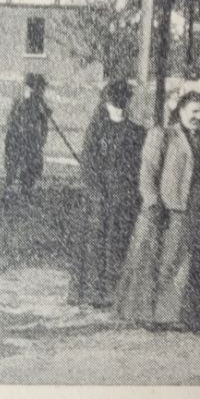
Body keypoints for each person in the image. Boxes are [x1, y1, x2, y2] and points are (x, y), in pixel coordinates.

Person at [114, 91, 200, 332]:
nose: (198, 116)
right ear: (181, 111)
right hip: (166, 209)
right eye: (193, 111)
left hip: (194, 209)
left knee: (185, 265)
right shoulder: (163, 134)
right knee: (160, 263)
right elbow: (148, 171)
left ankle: (179, 314)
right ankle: (151, 316)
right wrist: (153, 202)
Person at [69, 80, 145, 308]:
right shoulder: (97, 131)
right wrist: (96, 190)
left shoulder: (137, 132)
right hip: (99, 199)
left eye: (122, 102)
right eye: (114, 103)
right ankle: (92, 292)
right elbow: (88, 165)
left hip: (125, 198)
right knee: (95, 245)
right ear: (106, 103)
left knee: (120, 243)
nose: (118, 108)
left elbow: (140, 166)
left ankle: (117, 293)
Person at [2, 73, 50, 201]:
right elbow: (16, 119)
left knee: (32, 165)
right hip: (18, 138)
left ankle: (26, 190)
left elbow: (44, 119)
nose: (42, 91)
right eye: (41, 88)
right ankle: (11, 190)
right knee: (16, 163)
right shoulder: (23, 100)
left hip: (31, 139)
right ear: (34, 87)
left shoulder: (38, 101)